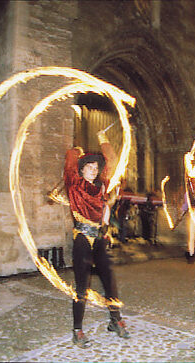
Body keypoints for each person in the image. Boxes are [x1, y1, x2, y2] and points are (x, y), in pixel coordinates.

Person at [64, 129, 130, 348]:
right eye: (89, 168)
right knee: (82, 286)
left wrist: (103, 139)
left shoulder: (101, 186)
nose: (93, 171)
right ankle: (77, 330)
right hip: (82, 236)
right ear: (81, 170)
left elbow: (111, 161)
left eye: (95, 168)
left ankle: (115, 321)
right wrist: (77, 151)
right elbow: (69, 164)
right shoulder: (74, 185)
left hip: (99, 236)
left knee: (109, 280)